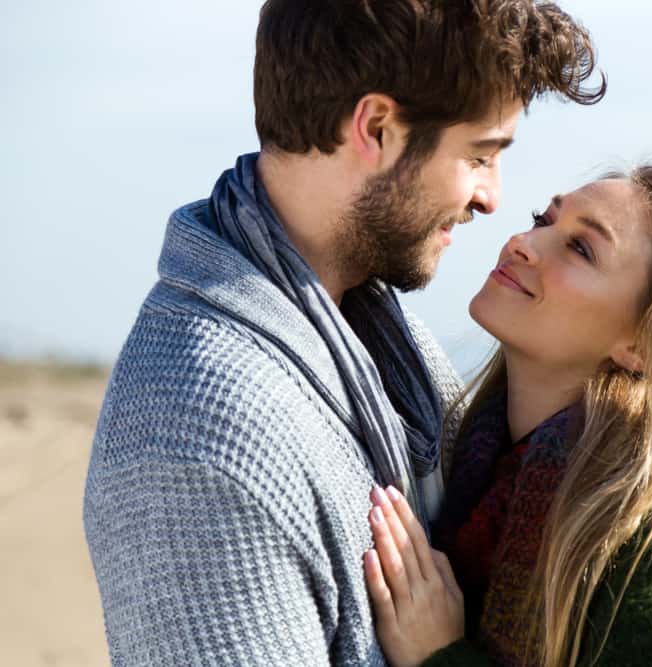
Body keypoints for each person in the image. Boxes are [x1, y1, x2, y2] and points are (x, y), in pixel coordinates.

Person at [83, 1, 605, 664]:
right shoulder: (198, 432)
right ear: (378, 127)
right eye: (479, 155)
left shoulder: (382, 334)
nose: (491, 196)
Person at [362, 166, 652, 666]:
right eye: (544, 219)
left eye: (581, 248)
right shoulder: (471, 471)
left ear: (644, 344)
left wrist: (441, 655)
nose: (524, 241)